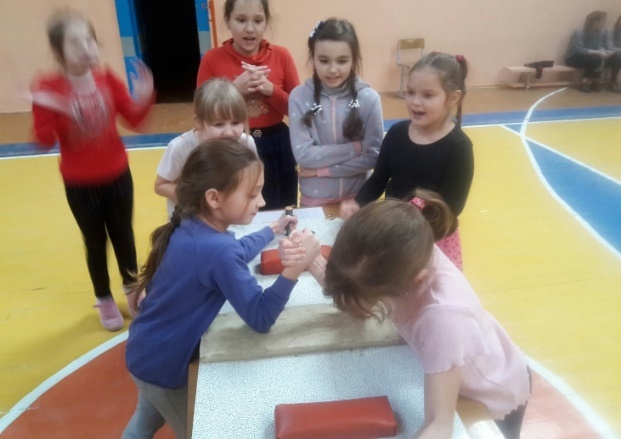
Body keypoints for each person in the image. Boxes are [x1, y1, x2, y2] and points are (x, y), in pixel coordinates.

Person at [122, 139, 321, 439]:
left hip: (145, 350)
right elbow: (260, 316)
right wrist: (295, 267)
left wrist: (271, 229)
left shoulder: (194, 225)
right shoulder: (217, 250)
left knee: (144, 422)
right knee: (197, 432)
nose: (262, 201)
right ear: (214, 198)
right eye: (252, 194)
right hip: (163, 367)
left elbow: (234, 251)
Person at [322, 191, 531, 439]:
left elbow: (440, 425)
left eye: (374, 298)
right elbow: (350, 291)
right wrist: (311, 259)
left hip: (490, 395)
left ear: (416, 281)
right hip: (454, 366)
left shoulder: (444, 317)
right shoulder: (403, 254)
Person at [30, 9, 154, 331]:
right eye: (75, 43)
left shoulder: (106, 79)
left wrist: (144, 95)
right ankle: (104, 297)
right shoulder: (49, 87)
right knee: (95, 242)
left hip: (117, 175)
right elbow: (43, 140)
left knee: (124, 235)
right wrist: (56, 108)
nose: (86, 48)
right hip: (80, 184)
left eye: (89, 40)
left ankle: (132, 288)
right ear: (59, 52)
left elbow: (135, 120)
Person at [340, 52, 474, 270]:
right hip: (393, 230)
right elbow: (379, 179)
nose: (415, 102)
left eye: (428, 95)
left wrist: (409, 229)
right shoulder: (397, 133)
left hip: (434, 237)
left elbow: (452, 208)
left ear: (452, 98)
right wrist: (358, 203)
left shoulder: (459, 147)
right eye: (410, 92)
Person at [196, 0, 300, 210]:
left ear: (266, 22)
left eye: (258, 20)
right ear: (228, 21)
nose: (250, 28)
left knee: (285, 206)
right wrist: (234, 90)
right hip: (232, 143)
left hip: (279, 141)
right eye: (241, 20)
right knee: (240, 206)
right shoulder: (212, 59)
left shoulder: (281, 56)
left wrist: (271, 90)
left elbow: (298, 110)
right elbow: (202, 111)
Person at [288, 18, 383, 207]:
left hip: (358, 199)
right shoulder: (298, 97)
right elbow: (304, 156)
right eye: (324, 61)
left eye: (342, 61)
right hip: (314, 199)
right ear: (312, 58)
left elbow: (373, 157)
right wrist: (357, 147)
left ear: (353, 59)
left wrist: (320, 171)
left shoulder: (369, 99)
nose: (332, 69)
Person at [155, 78, 257, 218]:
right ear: (199, 122)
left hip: (230, 219)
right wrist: (195, 199)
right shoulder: (181, 147)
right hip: (189, 220)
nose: (229, 132)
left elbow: (253, 179)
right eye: (218, 124)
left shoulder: (246, 143)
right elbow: (160, 186)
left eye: (235, 123)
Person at [565, 11, 620, 93]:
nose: (604, 23)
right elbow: (579, 50)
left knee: (614, 58)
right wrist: (597, 52)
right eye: (603, 21)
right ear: (596, 22)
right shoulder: (579, 31)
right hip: (573, 57)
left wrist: (604, 51)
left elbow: (599, 46)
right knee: (593, 58)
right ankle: (585, 83)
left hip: (590, 55)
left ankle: (599, 81)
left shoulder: (600, 32)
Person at [604, 14, 621, 92]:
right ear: (619, 21)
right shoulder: (611, 31)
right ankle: (612, 82)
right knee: (618, 56)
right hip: (608, 55)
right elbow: (610, 47)